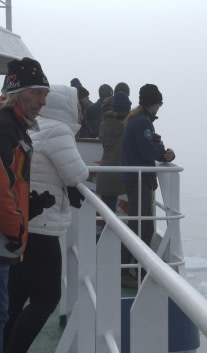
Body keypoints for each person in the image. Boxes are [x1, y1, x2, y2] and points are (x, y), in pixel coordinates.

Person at [3, 85, 88, 353]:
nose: (82, 116)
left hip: (26, 222)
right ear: (66, 107)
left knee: (16, 298)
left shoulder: (34, 126)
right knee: (47, 299)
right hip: (44, 226)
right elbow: (77, 174)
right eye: (78, 109)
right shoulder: (58, 130)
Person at [0, 57, 54, 353]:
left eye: (45, 94)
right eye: (36, 92)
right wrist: (16, 227)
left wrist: (30, 207)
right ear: (16, 90)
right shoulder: (5, 128)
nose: (43, 101)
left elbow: (11, 182)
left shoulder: (17, 128)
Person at [120, 84, 175, 288]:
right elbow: (145, 151)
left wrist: (159, 150)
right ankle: (126, 271)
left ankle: (132, 270)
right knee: (140, 226)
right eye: (159, 103)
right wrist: (163, 154)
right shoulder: (142, 122)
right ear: (155, 103)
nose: (160, 107)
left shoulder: (137, 120)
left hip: (137, 178)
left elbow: (146, 148)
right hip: (139, 179)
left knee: (140, 224)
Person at [96, 91, 131, 212]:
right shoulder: (126, 127)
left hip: (105, 173)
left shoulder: (104, 124)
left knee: (107, 214)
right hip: (120, 174)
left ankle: (106, 231)